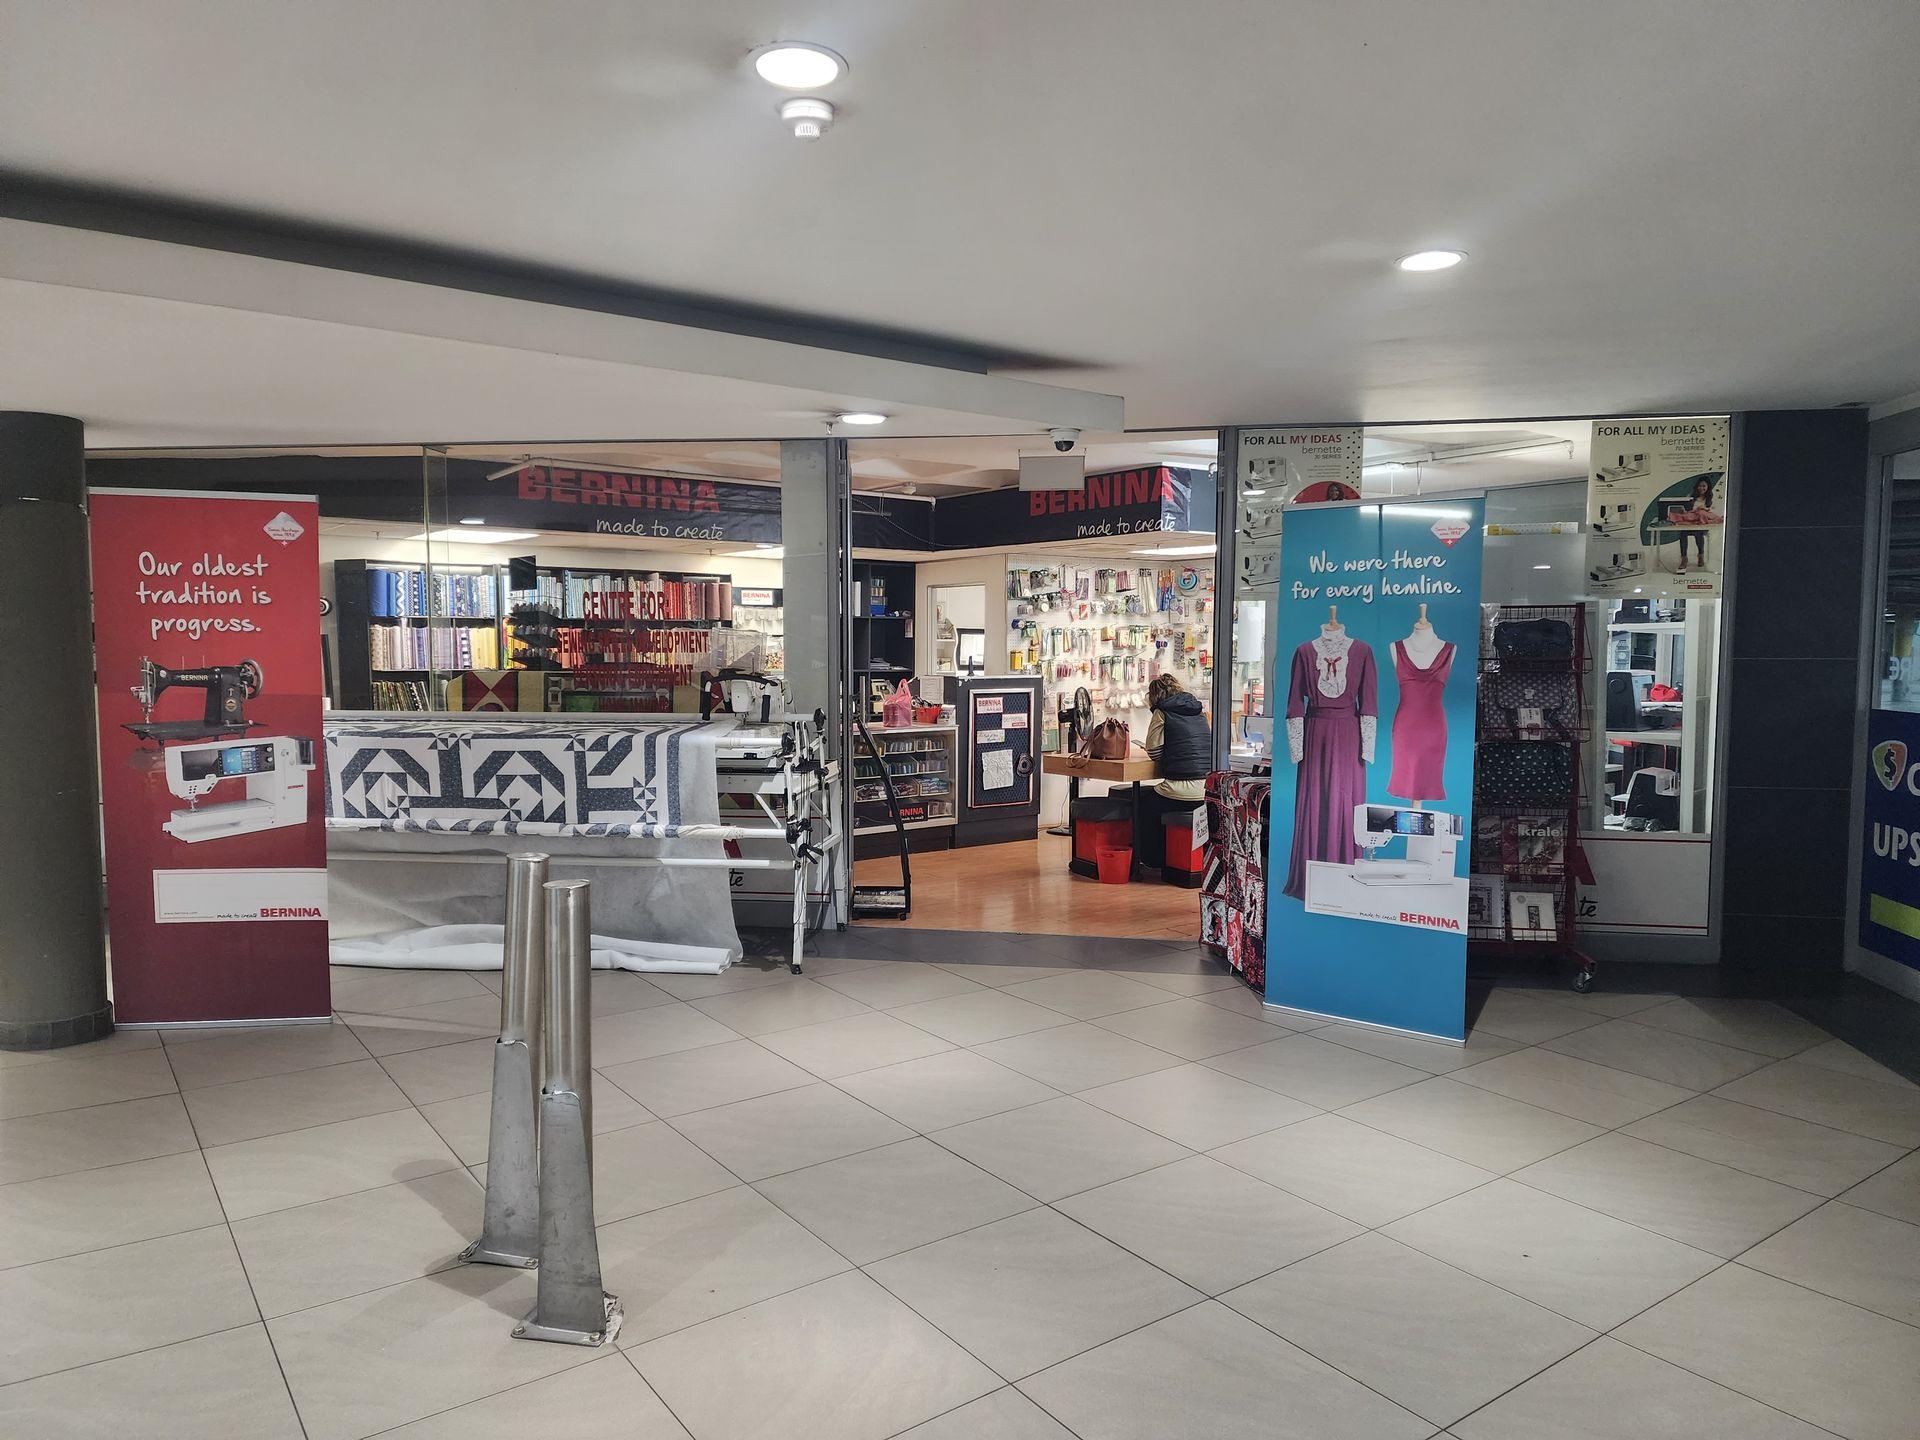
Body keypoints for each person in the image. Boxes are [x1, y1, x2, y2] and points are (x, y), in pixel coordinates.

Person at [1138, 673, 1213, 869]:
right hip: (1205, 789)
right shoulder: (1200, 713)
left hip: (1179, 788)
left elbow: (1154, 752)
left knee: (1142, 804)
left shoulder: (1161, 712)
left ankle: (1152, 860)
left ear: (1153, 697)